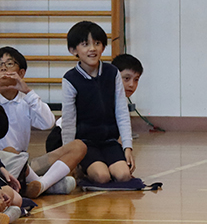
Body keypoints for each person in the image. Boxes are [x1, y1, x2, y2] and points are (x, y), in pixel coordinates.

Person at [26, 22, 134, 198]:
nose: (92, 49)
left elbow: (122, 112)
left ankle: (104, 162)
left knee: (123, 175)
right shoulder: (70, 79)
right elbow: (68, 120)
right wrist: (72, 160)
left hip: (109, 141)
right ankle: (85, 167)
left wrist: (127, 147)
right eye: (85, 44)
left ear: (103, 47)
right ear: (73, 50)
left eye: (97, 43)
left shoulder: (112, 72)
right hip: (85, 143)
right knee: (102, 177)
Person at [0, 46, 78, 196]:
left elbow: (48, 123)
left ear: (21, 73)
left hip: (24, 163)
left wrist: (28, 92)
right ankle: (45, 185)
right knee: (9, 151)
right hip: (2, 165)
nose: (3, 69)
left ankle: (39, 184)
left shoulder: (26, 100)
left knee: (77, 146)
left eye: (9, 64)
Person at [44, 52, 143, 155]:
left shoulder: (119, 101)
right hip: (62, 138)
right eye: (126, 78)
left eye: (136, 80)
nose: (132, 84)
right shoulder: (100, 95)